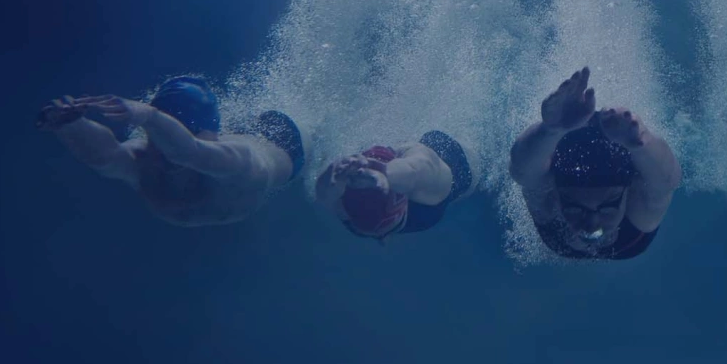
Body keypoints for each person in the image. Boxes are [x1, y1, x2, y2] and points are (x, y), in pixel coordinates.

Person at [36, 76, 304, 226]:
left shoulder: (238, 159)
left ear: (211, 135)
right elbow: (104, 158)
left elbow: (187, 152)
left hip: (287, 142)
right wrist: (70, 124)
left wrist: (149, 116)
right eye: (157, 140)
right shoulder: (143, 156)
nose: (164, 153)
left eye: (190, 132)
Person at [509, 67, 681, 260]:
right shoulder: (639, 220)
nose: (591, 225)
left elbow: (522, 171)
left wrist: (550, 130)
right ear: (556, 194)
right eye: (574, 209)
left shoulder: (551, 218)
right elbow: (667, 181)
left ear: (629, 190)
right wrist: (641, 143)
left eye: (577, 209)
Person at [315, 131, 475, 241]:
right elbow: (324, 193)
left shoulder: (430, 180)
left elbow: (414, 170)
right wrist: (335, 170)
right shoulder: (348, 207)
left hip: (451, 156)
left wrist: (386, 172)